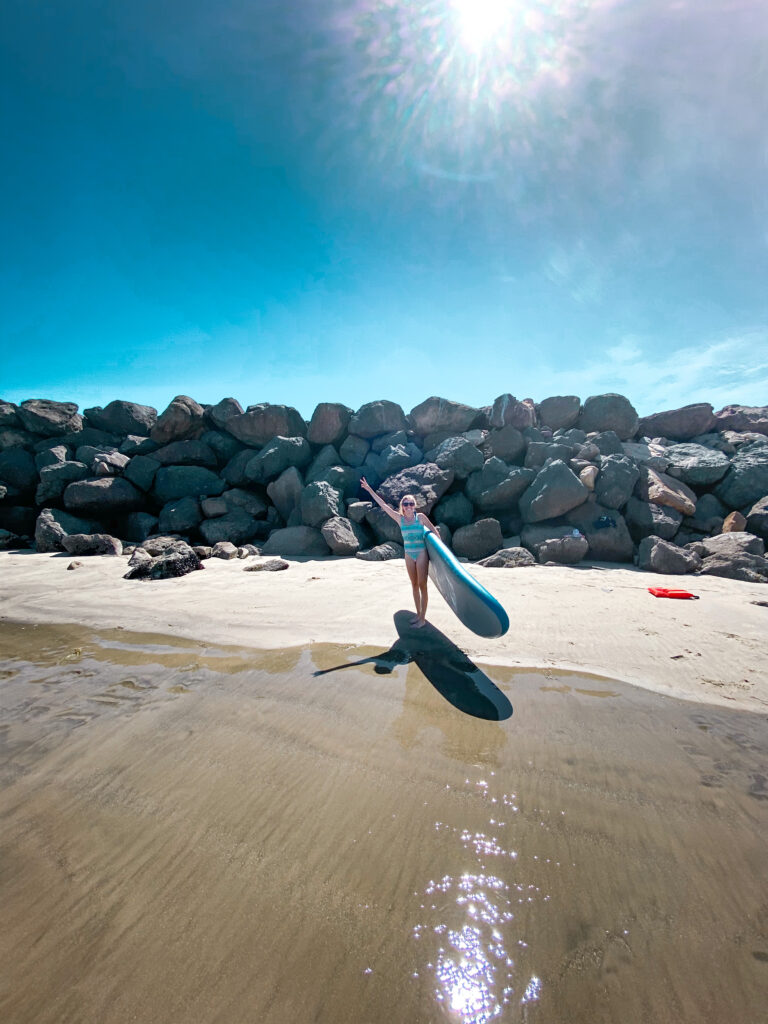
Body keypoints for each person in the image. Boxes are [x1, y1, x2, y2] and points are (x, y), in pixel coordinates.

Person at [360, 477, 438, 628]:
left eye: (411, 504)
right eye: (405, 503)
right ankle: (417, 614)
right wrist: (369, 489)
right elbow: (382, 505)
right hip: (409, 555)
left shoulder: (420, 518)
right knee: (414, 585)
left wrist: (442, 553)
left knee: (423, 585)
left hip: (421, 553)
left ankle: (422, 619)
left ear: (415, 506)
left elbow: (434, 531)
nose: (408, 506)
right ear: (402, 506)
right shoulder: (399, 519)